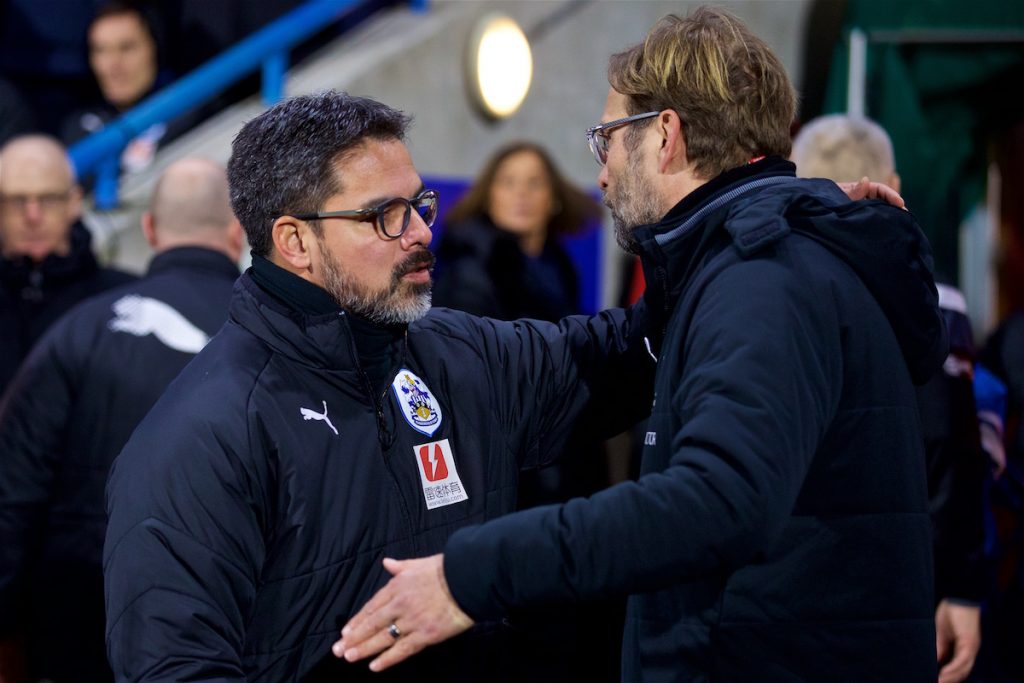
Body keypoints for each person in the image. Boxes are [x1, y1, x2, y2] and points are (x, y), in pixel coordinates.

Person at [336, 8, 947, 682]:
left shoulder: (761, 279)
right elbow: (626, 346)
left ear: (665, 134)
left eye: (607, 140)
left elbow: (717, 501)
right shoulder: (761, 264)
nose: (599, 175)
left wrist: (471, 573)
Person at [101, 91, 659, 682]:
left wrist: (706, 218)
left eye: (419, 204)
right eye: (384, 214)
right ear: (295, 242)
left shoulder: (460, 356)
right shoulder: (205, 434)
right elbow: (174, 667)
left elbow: (628, 354)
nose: (419, 231)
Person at [0, 157, 241, 683]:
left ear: (150, 229)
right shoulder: (285, 341)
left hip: (77, 623)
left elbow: (13, 490)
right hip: (231, 625)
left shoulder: (81, 328)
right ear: (238, 231)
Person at [792, 113, 985, 683]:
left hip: (794, 574)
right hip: (899, 574)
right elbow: (951, 449)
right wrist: (963, 585)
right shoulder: (937, 301)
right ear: (890, 184)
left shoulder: (769, 282)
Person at [433, 141, 619, 679]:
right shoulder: (472, 268)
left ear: (554, 198)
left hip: (558, 469)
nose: (519, 194)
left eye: (533, 183)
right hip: (518, 475)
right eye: (507, 182)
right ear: (487, 194)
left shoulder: (557, 266)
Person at [0, 134, 135, 395]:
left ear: (74, 202)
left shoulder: (124, 301)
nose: (33, 216)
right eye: (17, 201)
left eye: (48, 199)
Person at [61, 1, 191, 174]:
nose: (113, 65)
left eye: (126, 48)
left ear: (155, 49)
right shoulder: (78, 129)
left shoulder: (193, 112)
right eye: (101, 50)